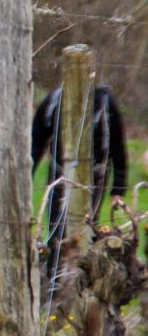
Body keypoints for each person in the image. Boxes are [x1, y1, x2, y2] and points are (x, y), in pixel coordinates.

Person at [31, 81, 127, 299]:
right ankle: (54, 287)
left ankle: (82, 285)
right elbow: (36, 141)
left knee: (87, 229)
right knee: (56, 228)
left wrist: (118, 187)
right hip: (59, 175)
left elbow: (118, 148)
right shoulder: (55, 100)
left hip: (95, 177)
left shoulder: (105, 104)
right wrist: (26, 173)